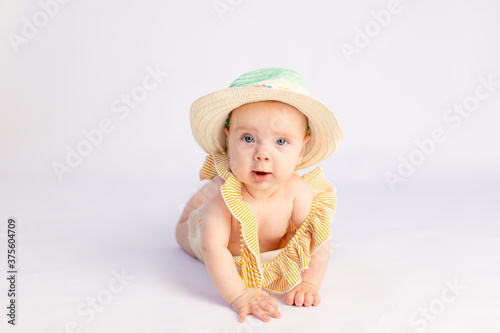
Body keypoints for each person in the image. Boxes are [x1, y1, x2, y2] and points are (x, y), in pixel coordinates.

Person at [176, 68, 344, 323]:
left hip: (267, 252)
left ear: (302, 149)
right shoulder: (222, 193)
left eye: (280, 142)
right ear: (228, 140)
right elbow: (213, 247)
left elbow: (317, 239)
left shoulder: (298, 190)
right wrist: (240, 294)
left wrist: (309, 282)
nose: (262, 154)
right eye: (247, 138)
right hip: (209, 243)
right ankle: (190, 212)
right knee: (187, 229)